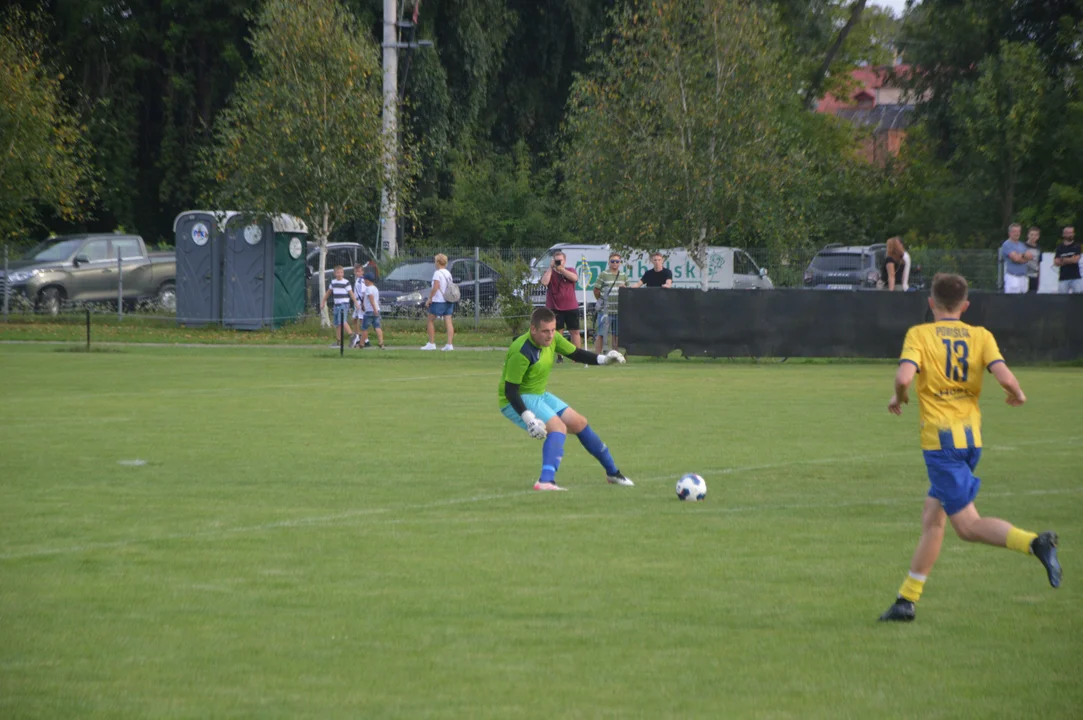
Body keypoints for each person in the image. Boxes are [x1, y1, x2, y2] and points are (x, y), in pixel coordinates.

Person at [878, 273, 1061, 622]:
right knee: (933, 519)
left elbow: (904, 377)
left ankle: (1035, 542)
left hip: (941, 444)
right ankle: (906, 600)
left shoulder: (920, 333)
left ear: (931, 302)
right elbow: (1005, 377)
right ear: (965, 305)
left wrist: (899, 397)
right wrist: (1018, 393)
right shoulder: (980, 335)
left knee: (967, 527)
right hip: (970, 440)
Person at [499, 307, 634, 491]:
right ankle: (545, 481)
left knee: (579, 422)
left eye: (553, 330)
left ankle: (613, 473)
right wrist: (529, 419)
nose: (550, 335)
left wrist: (604, 360)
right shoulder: (521, 351)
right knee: (559, 428)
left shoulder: (553, 339)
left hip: (539, 394)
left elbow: (576, 354)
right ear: (533, 329)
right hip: (517, 399)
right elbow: (510, 391)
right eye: (545, 331)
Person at [541, 250, 582, 350]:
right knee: (558, 332)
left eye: (560, 260)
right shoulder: (549, 273)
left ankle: (577, 355)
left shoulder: (570, 270)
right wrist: (551, 268)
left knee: (575, 331)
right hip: (555, 307)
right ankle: (560, 356)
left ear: (565, 261)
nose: (559, 262)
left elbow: (575, 278)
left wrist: (562, 270)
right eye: (556, 261)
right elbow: (545, 282)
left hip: (571, 307)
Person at [593, 252, 628, 353]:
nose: (615, 263)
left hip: (618, 310)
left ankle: (615, 355)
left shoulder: (624, 275)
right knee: (601, 334)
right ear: (609, 262)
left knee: (616, 335)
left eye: (617, 261)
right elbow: (596, 290)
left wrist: (624, 288)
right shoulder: (603, 274)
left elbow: (628, 290)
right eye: (613, 261)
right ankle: (596, 356)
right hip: (605, 311)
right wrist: (602, 301)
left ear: (620, 263)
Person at [421, 253, 455, 351]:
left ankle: (431, 343)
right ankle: (449, 344)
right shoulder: (448, 273)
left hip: (439, 301)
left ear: (438, 262)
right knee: (448, 321)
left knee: (430, 320)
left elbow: (435, 287)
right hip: (448, 300)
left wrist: (429, 299)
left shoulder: (437, 273)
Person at [320, 265, 358, 348]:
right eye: (338, 273)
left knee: (342, 321)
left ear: (343, 273)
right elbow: (328, 293)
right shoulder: (333, 282)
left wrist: (356, 303)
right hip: (336, 304)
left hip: (343, 304)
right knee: (337, 323)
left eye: (341, 272)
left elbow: (351, 293)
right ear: (334, 273)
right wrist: (323, 302)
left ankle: (352, 336)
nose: (339, 274)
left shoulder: (346, 282)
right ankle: (338, 341)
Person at [999, 223, 1033, 294]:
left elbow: (1030, 256)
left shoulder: (1022, 244)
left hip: (1023, 277)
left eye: (1018, 231)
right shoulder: (1007, 244)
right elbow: (1016, 258)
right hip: (1013, 277)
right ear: (1009, 233)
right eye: (1014, 231)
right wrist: (1023, 256)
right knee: (1012, 301)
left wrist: (1020, 256)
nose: (1017, 233)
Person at [358, 270, 385, 349]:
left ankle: (361, 344)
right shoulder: (375, 288)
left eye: (365, 280)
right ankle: (381, 343)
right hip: (376, 310)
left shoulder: (368, 289)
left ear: (367, 280)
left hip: (370, 311)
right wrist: (376, 310)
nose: (364, 282)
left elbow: (371, 299)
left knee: (364, 328)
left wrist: (374, 309)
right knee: (377, 327)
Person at [1053, 225, 1081, 294]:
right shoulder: (1059, 247)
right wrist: (1070, 259)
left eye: (1071, 232)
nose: (1069, 234)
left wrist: (1062, 259)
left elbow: (1075, 260)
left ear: (1073, 234)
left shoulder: (1077, 246)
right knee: (1062, 300)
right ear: (1063, 234)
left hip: (1075, 278)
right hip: (1063, 278)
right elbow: (1056, 262)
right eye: (1067, 233)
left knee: (1078, 299)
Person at [350, 263, 369, 349]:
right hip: (356, 303)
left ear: (362, 272)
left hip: (360, 303)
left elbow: (364, 293)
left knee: (361, 320)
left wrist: (363, 304)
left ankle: (365, 339)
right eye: (356, 271)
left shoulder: (362, 281)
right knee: (354, 319)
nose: (358, 273)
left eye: (359, 271)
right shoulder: (357, 280)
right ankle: (357, 335)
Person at [1025, 226, 1042, 293]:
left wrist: (1039, 277)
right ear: (1028, 235)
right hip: (1024, 275)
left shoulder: (1039, 248)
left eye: (1035, 235)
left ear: (1038, 237)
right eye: (1031, 234)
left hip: (1034, 276)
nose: (1033, 237)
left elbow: (1038, 263)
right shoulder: (1022, 246)